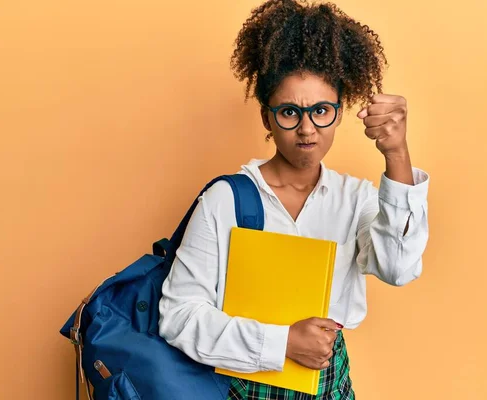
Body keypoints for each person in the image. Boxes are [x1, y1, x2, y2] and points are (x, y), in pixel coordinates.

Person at [158, 0, 429, 398]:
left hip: (329, 385)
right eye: (289, 112)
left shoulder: (355, 199)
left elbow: (399, 268)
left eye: (321, 110)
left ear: (340, 111)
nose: (306, 129)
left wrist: (397, 155)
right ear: (267, 117)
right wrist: (281, 342)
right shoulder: (225, 200)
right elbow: (178, 317)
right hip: (238, 387)